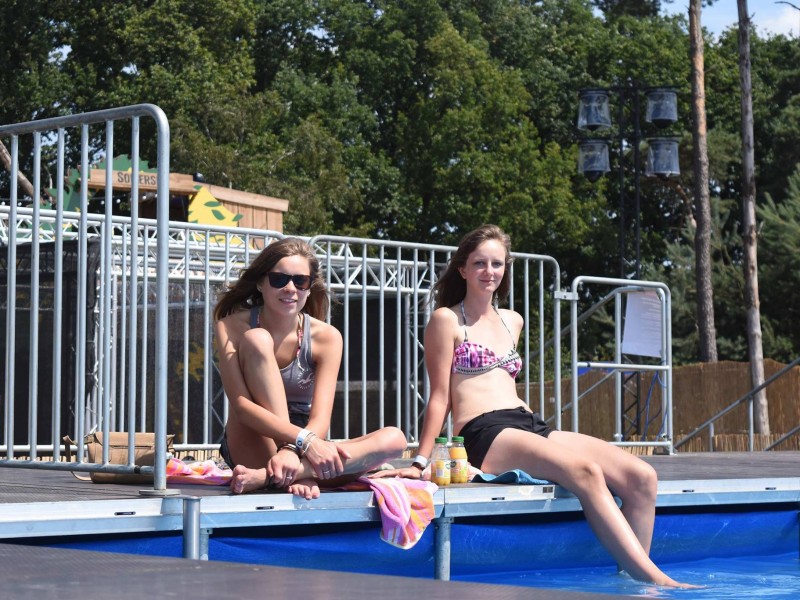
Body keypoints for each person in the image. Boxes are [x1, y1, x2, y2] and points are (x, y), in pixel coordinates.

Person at [375, 224, 695, 588]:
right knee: (586, 472)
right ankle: (657, 582)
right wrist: (420, 460)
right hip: (484, 432)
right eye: (479, 263)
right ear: (462, 269)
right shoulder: (446, 319)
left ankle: (630, 582)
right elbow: (440, 397)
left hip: (526, 422)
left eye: (497, 264)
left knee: (642, 478)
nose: (489, 271)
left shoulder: (513, 320)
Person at [214, 237, 407, 499]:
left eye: (300, 281)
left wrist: (296, 451)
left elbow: (320, 419)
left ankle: (272, 477)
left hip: (306, 440)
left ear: (309, 287)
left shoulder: (327, 337)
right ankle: (295, 473)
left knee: (395, 439)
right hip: (255, 429)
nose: (290, 288)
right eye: (279, 279)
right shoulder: (231, 326)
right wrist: (298, 444)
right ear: (260, 283)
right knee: (256, 339)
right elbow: (242, 407)